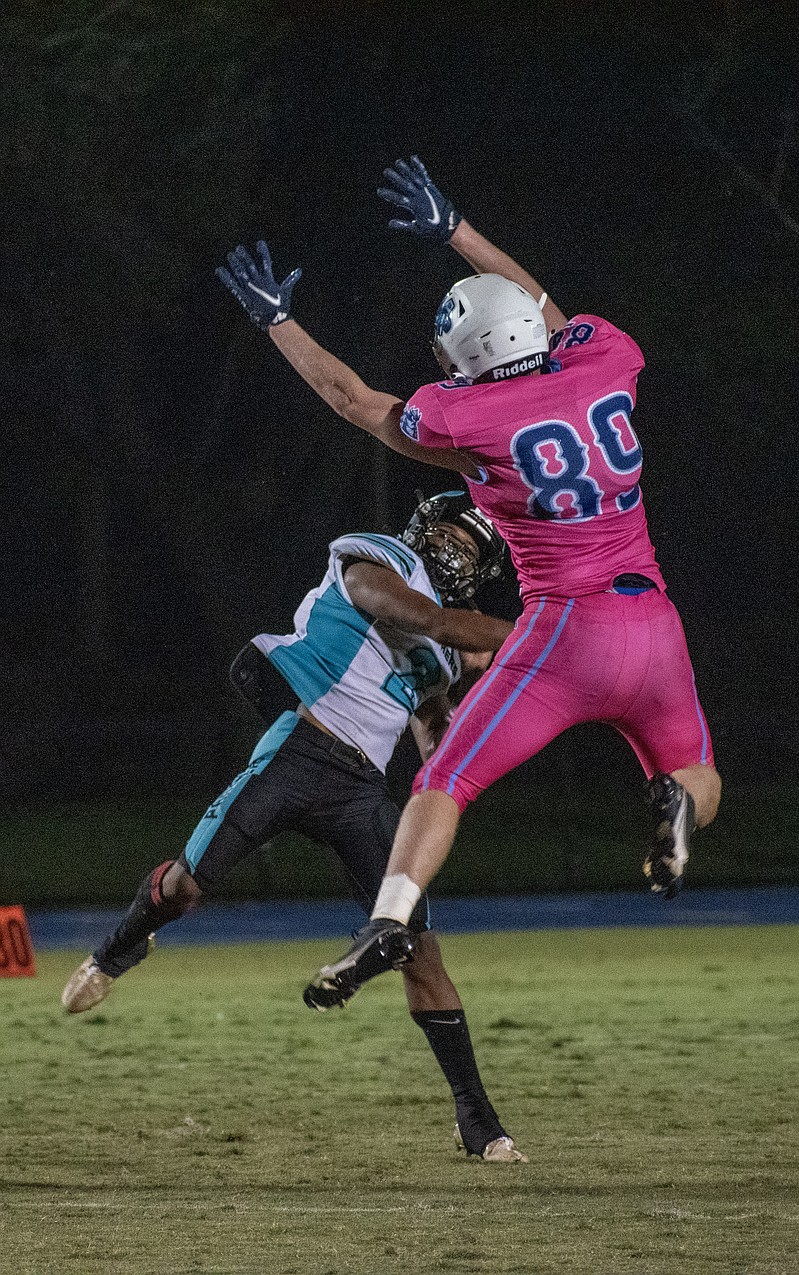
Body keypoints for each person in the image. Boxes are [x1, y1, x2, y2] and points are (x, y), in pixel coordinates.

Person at [214, 155, 722, 1011]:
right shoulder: (607, 358)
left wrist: (277, 323)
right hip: (655, 623)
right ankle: (675, 808)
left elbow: (353, 399)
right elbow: (540, 309)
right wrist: (458, 230)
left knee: (441, 782)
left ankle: (390, 918)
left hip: (566, 631)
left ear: (465, 360)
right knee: (697, 773)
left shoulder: (472, 417)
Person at [61, 492, 529, 1163]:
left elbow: (433, 724)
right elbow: (428, 618)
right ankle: (116, 949)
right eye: (452, 533)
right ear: (425, 527)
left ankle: (475, 1116)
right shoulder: (374, 562)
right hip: (300, 748)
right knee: (187, 885)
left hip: (362, 786)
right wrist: (529, 635)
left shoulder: (444, 644)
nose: (456, 550)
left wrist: (456, 762)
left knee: (415, 946)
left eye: (472, 548)